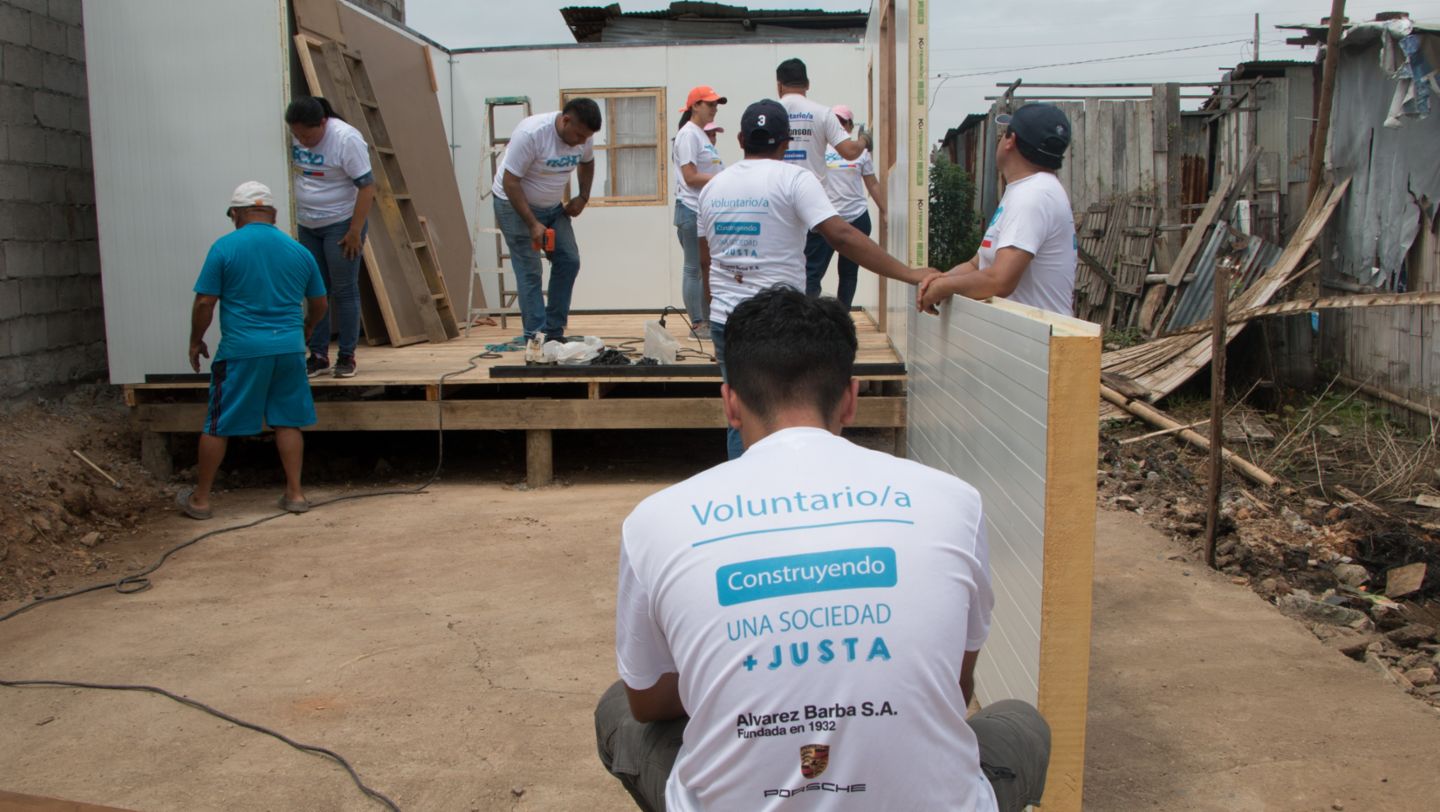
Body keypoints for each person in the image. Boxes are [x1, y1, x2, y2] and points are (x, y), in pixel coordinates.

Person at [594, 286, 1052, 812]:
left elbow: (646, 702)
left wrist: (739, 679)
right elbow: (957, 684)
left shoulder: (655, 521)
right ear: (851, 398)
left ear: (731, 403)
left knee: (616, 710)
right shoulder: (955, 502)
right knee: (1022, 724)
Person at [698, 99, 932, 460]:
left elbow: (705, 260)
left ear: (742, 139)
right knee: (793, 414)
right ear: (786, 143)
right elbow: (843, 236)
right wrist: (910, 274)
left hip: (726, 319)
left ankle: (745, 487)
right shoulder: (795, 179)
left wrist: (715, 306)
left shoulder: (712, 188)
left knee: (741, 416)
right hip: (778, 322)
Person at [178, 182, 328, 520]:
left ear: (235, 214)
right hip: (289, 349)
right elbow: (320, 303)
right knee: (288, 421)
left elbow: (205, 302)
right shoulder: (299, 251)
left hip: (242, 351)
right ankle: (295, 494)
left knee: (218, 423)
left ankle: (200, 500)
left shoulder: (224, 248)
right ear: (272, 214)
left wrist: (195, 340)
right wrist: (306, 328)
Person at [918, 103, 1077, 317]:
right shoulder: (1025, 190)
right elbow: (977, 264)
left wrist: (944, 287)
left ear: (1010, 141)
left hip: (1039, 335)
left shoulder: (1034, 195)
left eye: (1004, 134)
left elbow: (1000, 281)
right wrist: (941, 279)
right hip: (1024, 333)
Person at [492, 98, 601, 344]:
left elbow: (587, 162)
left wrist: (583, 196)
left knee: (569, 260)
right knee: (530, 270)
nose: (582, 142)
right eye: (578, 135)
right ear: (566, 120)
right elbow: (510, 182)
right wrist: (532, 223)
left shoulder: (584, 135)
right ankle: (536, 338)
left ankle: (554, 333)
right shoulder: (532, 134)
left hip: (552, 208)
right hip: (514, 206)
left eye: (586, 138)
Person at [286, 96, 373, 379]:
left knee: (344, 289)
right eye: (297, 135)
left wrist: (354, 231)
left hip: (341, 223)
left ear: (323, 122)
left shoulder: (346, 139)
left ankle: (346, 355)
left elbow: (367, 188)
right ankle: (318, 355)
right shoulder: (296, 134)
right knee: (315, 290)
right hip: (307, 224)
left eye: (308, 136)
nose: (303, 141)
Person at [772, 58, 870, 298]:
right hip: (811, 204)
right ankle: (806, 317)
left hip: (777, 202)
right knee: (811, 273)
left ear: (779, 85)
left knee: (780, 270)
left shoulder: (771, 112)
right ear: (807, 84)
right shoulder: (822, 113)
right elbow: (849, 152)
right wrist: (864, 141)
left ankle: (783, 315)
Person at [810, 104, 886, 308]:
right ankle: (807, 318)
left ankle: (842, 318)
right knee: (813, 273)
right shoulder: (819, 149)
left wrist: (885, 210)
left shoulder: (860, 152)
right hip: (826, 219)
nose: (840, 125)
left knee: (848, 273)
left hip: (856, 218)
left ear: (851, 126)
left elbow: (872, 183)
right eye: (836, 121)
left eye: (843, 122)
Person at [672, 86, 728, 335]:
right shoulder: (688, 135)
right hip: (690, 209)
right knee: (693, 268)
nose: (714, 109)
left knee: (707, 266)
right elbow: (690, 176)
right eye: (710, 104)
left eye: (716, 105)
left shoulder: (700, 136)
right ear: (695, 106)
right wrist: (725, 179)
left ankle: (708, 319)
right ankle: (697, 323)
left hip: (704, 211)